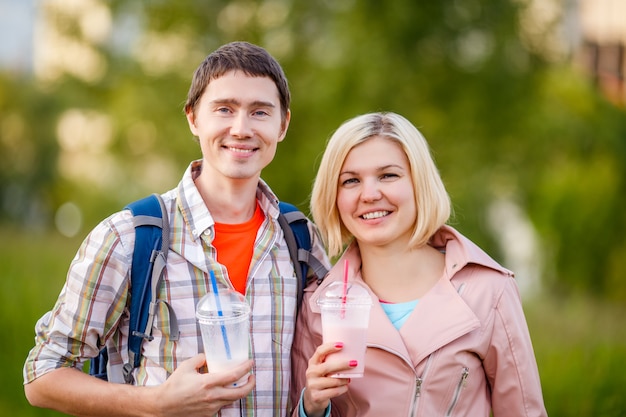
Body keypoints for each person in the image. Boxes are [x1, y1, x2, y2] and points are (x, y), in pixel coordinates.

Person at [23, 41, 329, 417]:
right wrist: (154, 403)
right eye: (224, 109)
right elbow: (42, 375)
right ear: (193, 119)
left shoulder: (300, 240)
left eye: (260, 112)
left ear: (282, 125)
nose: (241, 128)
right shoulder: (129, 238)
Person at [290, 112, 548, 417]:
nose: (370, 194)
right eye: (351, 180)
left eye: (388, 175)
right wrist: (312, 408)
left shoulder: (489, 291)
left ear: (419, 183)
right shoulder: (319, 306)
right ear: (334, 196)